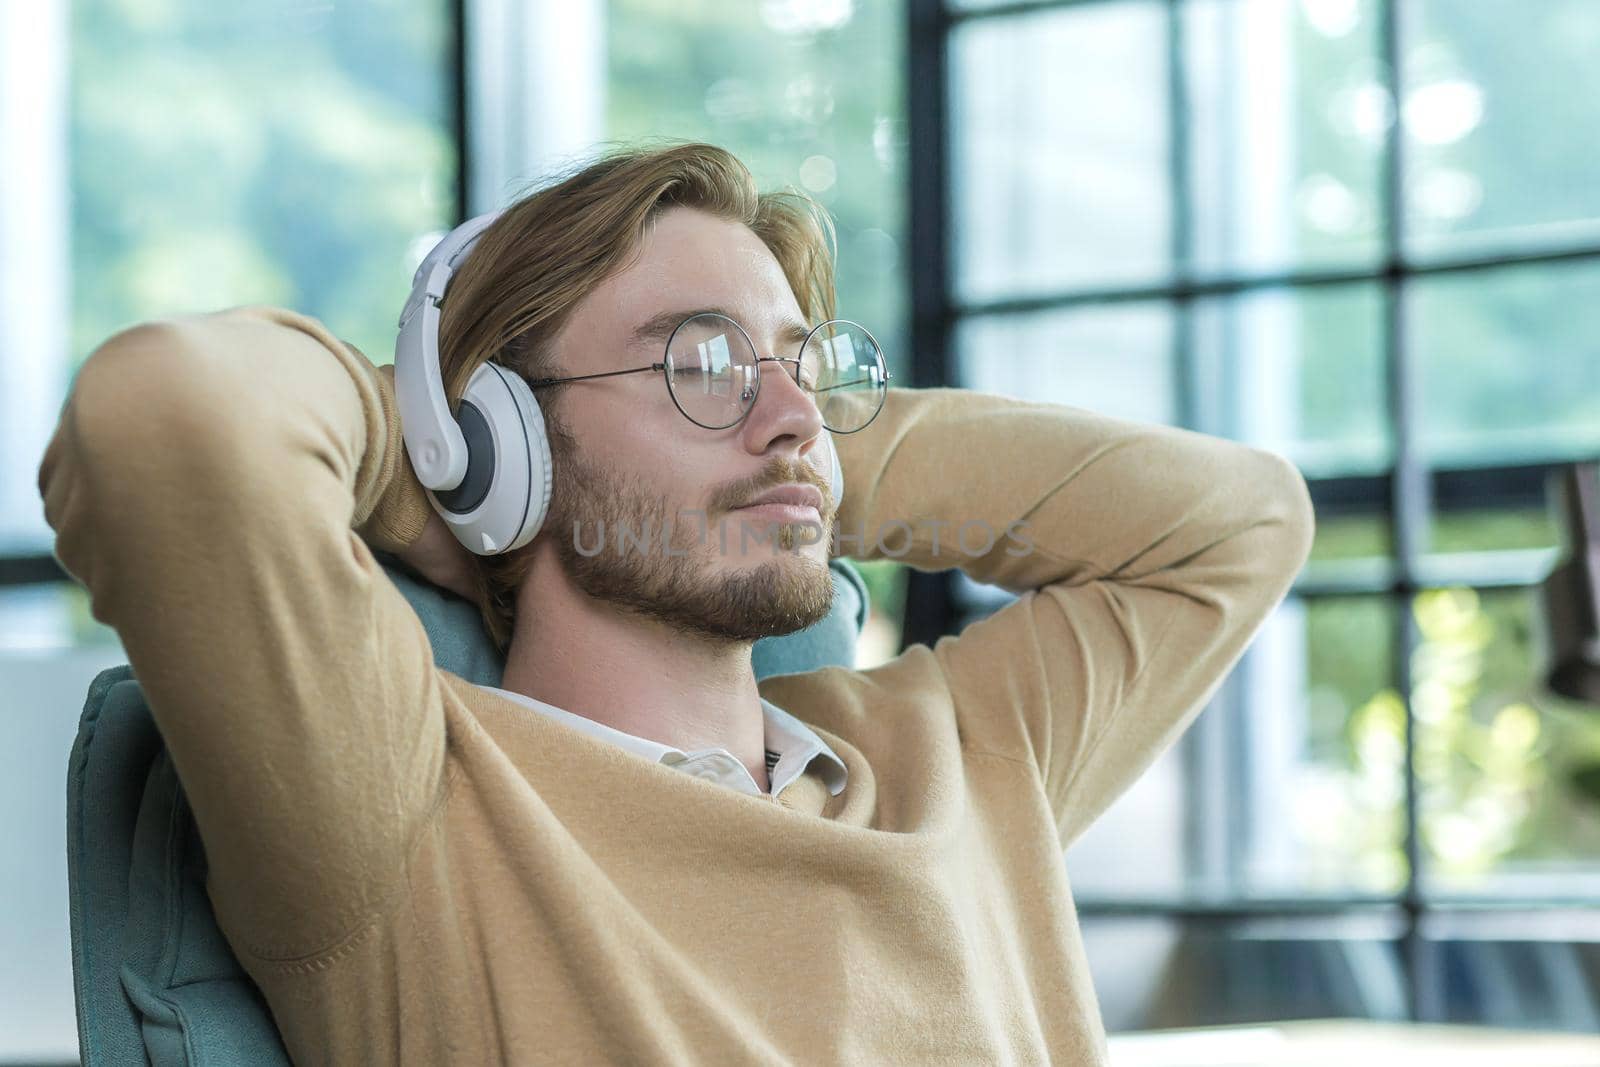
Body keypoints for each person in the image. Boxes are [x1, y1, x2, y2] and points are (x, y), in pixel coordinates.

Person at [38, 141, 1315, 1065]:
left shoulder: (964, 751)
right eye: (699, 360)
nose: (795, 414)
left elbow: (1237, 520)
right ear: (502, 436)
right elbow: (169, 416)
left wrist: (790, 454)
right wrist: (439, 451)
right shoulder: (405, 798)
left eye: (805, 364)